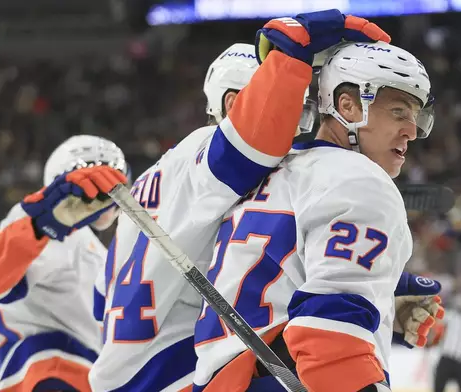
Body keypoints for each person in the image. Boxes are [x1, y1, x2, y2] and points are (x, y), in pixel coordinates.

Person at [88, 12, 393, 391]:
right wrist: (291, 50)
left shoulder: (148, 189)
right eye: (289, 109)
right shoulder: (205, 155)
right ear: (235, 104)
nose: (298, 129)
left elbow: (102, 303)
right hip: (176, 374)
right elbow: (249, 146)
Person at [192, 19, 443, 391]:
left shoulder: (268, 171)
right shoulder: (360, 179)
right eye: (398, 111)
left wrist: (381, 300)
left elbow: (279, 286)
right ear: (349, 105)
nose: (412, 130)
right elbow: (328, 337)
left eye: (417, 116)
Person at [0, 135, 129, 391]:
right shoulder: (55, 229)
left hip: (81, 375)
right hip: (52, 373)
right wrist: (42, 223)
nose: (103, 192)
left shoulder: (99, 250)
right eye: (92, 183)